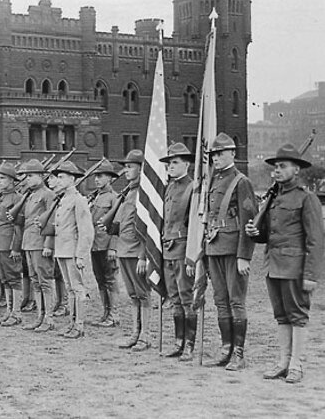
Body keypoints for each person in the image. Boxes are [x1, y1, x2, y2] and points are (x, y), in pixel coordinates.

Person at [245, 143, 324, 383]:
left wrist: (311, 275)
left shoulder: (307, 198)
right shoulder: (273, 198)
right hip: (273, 265)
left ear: (296, 170)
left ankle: (296, 364)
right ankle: (283, 361)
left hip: (295, 268)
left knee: (297, 315)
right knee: (281, 316)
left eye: (282, 166)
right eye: (275, 167)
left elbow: (316, 240)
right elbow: (268, 233)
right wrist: (254, 232)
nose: (276, 171)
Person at [199, 133, 257, 371]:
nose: (216, 158)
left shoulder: (241, 181)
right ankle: (226, 348)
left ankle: (239, 354)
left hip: (234, 249)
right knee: (220, 300)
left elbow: (249, 221)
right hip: (214, 247)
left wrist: (244, 255)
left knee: (236, 301)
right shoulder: (214, 179)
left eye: (220, 154)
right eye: (213, 154)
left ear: (233, 153)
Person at [101, 149, 153, 351]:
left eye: (130, 166)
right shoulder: (129, 192)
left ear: (142, 169)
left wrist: (143, 255)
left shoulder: (144, 194)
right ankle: (135, 332)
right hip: (124, 250)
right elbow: (122, 222)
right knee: (133, 294)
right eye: (125, 166)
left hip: (136, 251)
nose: (126, 170)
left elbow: (148, 227)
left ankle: (145, 335)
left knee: (143, 293)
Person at [43, 161, 94, 338]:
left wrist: (81, 255)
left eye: (62, 177)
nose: (58, 180)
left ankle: (79, 326)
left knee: (78, 288)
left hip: (72, 251)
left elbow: (86, 231)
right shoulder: (63, 199)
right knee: (69, 288)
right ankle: (72, 323)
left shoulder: (79, 200)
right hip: (62, 249)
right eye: (58, 177)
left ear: (72, 179)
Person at [159, 142, 196, 360]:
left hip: (183, 248)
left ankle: (189, 344)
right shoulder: (170, 187)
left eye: (175, 162)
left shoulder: (193, 187)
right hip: (168, 248)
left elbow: (194, 225)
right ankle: (178, 341)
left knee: (186, 296)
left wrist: (193, 256)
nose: (170, 167)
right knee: (173, 296)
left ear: (187, 164)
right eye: (168, 163)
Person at [13, 159, 56, 332]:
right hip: (29, 242)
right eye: (26, 176)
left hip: (40, 242)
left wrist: (48, 244)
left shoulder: (48, 195)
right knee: (35, 281)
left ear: (41, 176)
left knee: (45, 281)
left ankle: (49, 318)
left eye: (31, 176)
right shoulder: (29, 195)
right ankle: (40, 315)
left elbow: (52, 221)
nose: (27, 179)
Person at [0, 162, 23, 326]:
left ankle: (16, 313)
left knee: (14, 278)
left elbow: (18, 226)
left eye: (2, 178)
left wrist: (16, 248)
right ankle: (9, 311)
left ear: (11, 180)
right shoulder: (0, 198)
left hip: (9, 245)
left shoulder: (17, 198)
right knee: (5, 279)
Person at [87, 159, 121, 328]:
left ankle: (114, 315)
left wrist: (113, 247)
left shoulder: (114, 198)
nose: (97, 179)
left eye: (101, 176)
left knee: (111, 280)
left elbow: (117, 224)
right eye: (96, 176)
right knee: (100, 280)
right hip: (95, 244)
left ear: (110, 178)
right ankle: (105, 313)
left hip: (107, 245)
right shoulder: (94, 197)